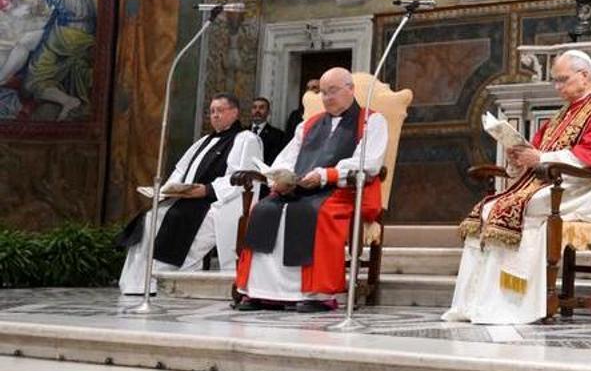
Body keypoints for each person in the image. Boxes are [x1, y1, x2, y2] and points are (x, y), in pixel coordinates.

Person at [443, 49, 591, 324]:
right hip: (555, 185)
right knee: (489, 208)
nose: (557, 87)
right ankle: (473, 303)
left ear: (584, 76)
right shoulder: (564, 115)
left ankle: (511, 303)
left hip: (586, 189)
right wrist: (519, 158)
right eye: (555, 80)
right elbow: (537, 151)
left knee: (521, 207)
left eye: (562, 79)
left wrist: (540, 158)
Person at [233, 67, 388, 312]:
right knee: (263, 210)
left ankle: (316, 294)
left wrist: (325, 175)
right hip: (299, 189)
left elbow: (369, 163)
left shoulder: (371, 121)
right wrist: (280, 177)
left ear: (351, 89)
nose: (326, 97)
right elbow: (287, 158)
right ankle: (260, 291)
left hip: (340, 191)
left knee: (313, 213)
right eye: (323, 92)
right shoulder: (308, 124)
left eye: (332, 91)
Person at [116, 94, 260, 292]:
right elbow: (181, 171)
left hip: (220, 202)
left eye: (220, 110)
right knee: (150, 217)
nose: (215, 115)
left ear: (234, 113)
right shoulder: (204, 141)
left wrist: (207, 190)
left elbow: (242, 176)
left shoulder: (246, 139)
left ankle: (165, 281)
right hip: (189, 199)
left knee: (176, 218)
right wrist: (167, 191)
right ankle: (140, 283)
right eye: (212, 111)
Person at [249, 96, 289, 163]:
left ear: (268, 112)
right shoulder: (241, 132)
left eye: (261, 108)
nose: (257, 111)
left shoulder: (278, 136)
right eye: (254, 107)